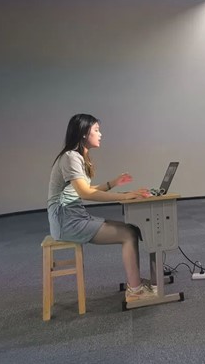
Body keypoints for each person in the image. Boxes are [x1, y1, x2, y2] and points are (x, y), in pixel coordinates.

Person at [47, 114, 157, 302]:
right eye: (96, 130)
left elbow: (86, 189)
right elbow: (86, 193)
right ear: (83, 133)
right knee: (128, 234)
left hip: (75, 217)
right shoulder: (70, 157)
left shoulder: (76, 156)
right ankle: (135, 291)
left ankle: (135, 282)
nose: (101, 134)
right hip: (67, 222)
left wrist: (113, 183)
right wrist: (124, 196)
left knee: (131, 229)